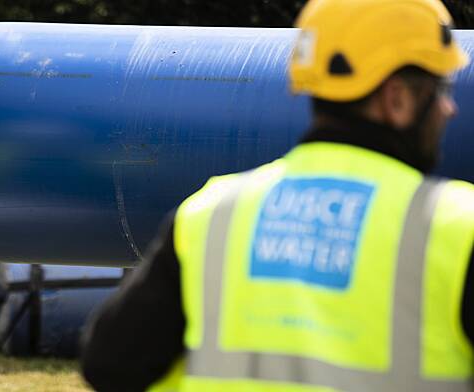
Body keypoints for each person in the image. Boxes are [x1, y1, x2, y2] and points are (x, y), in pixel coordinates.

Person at [80, 0, 474, 390]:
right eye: (441, 89)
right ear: (398, 99)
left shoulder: (213, 213)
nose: (449, 108)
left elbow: (109, 365)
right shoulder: (458, 225)